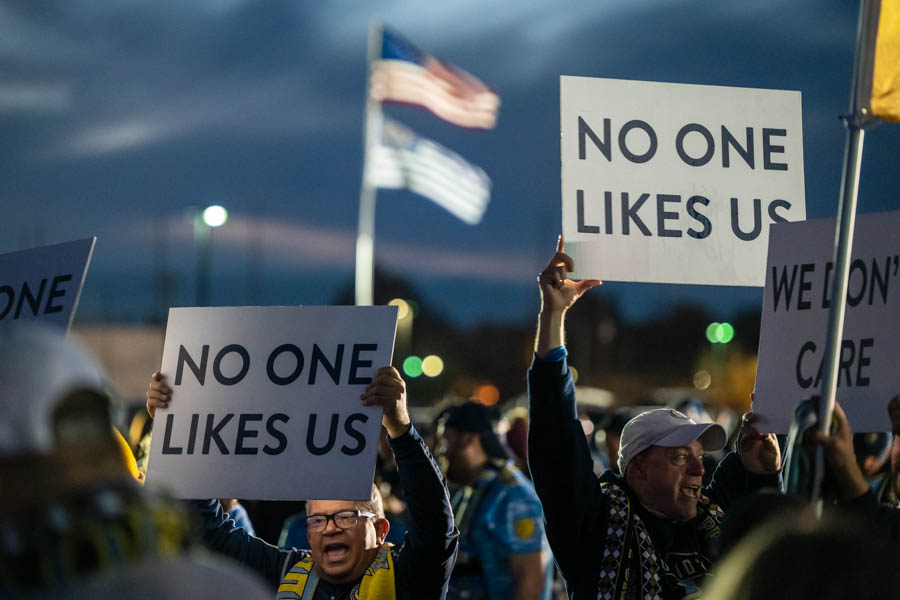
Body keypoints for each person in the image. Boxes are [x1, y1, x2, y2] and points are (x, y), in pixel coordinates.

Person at [527, 237, 782, 599]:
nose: (698, 470)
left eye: (699, 457)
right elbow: (556, 441)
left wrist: (760, 473)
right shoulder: (594, 526)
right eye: (680, 457)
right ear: (639, 468)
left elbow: (768, 538)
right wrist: (553, 316)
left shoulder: (713, 517)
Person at [147, 365, 459, 599]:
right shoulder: (281, 571)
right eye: (318, 520)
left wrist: (401, 428)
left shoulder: (410, 576)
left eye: (346, 516)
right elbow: (209, 533)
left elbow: (434, 525)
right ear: (307, 534)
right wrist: (175, 428)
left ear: (380, 530)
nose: (330, 528)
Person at [437, 401, 552, 600]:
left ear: (468, 440)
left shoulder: (513, 498)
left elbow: (530, 581)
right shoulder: (474, 487)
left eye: (446, 442)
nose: (441, 451)